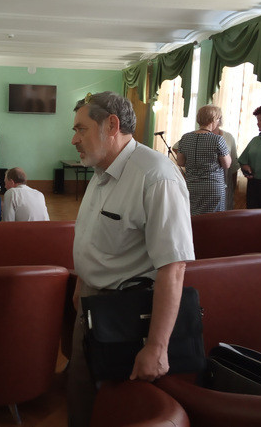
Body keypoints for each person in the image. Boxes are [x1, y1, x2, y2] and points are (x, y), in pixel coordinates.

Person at [68, 91, 195, 427]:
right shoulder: (101, 170)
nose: (74, 139)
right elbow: (95, 237)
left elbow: (173, 267)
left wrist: (157, 346)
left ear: (112, 125)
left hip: (127, 310)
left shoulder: (156, 177)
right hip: (93, 301)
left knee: (115, 401)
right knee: (82, 389)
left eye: (81, 129)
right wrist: (83, 283)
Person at [175, 105, 232, 215]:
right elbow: (227, 164)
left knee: (193, 218)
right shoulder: (217, 139)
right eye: (218, 119)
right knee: (213, 220)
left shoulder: (186, 137)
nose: (218, 122)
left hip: (191, 186)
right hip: (212, 187)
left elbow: (180, 162)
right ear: (213, 119)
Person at [212, 113, 240, 210]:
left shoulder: (228, 137)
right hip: (202, 183)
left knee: (223, 212)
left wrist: (233, 187)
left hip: (224, 181)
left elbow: (234, 164)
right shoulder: (197, 135)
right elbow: (176, 147)